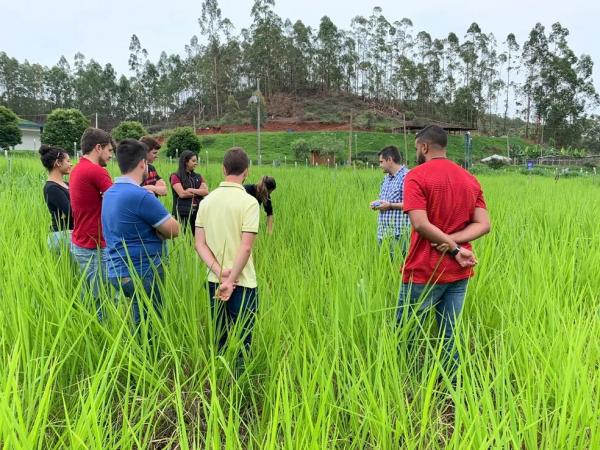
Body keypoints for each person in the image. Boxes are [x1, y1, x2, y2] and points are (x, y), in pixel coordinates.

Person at [397, 125, 490, 383]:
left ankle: (405, 385)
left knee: (406, 333)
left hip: (423, 271)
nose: (417, 152)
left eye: (417, 148)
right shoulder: (470, 179)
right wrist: (457, 245)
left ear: (424, 147)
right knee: (449, 334)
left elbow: (420, 224)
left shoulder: (416, 176)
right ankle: (454, 388)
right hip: (459, 271)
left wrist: (450, 245)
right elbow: (483, 225)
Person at [102, 139, 180, 332]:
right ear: (142, 163)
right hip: (142, 271)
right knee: (152, 324)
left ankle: (138, 354)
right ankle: (148, 358)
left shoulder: (110, 192)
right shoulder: (140, 195)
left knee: (140, 318)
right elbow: (174, 229)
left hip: (116, 270)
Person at [194, 147, 260, 359]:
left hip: (215, 280)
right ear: (247, 172)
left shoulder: (206, 202)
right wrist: (231, 280)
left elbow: (199, 244)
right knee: (243, 341)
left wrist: (219, 271)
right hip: (243, 282)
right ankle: (239, 387)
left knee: (219, 338)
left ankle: (219, 383)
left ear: (223, 169)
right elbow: (246, 247)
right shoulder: (249, 203)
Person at [69, 128, 114, 317]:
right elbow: (118, 201)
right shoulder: (97, 172)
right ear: (98, 148)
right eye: (109, 150)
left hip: (80, 241)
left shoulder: (77, 169)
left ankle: (89, 332)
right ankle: (101, 340)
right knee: (101, 299)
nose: (111, 155)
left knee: (89, 296)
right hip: (95, 244)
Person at [370, 146, 410, 258]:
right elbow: (386, 200)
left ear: (390, 160)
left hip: (399, 234)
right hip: (382, 232)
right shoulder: (386, 178)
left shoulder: (408, 177)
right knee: (384, 268)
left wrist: (390, 206)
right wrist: (377, 204)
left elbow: (413, 204)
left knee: (399, 268)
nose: (380, 165)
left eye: (381, 162)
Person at [39, 144, 74, 252]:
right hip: (61, 235)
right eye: (68, 161)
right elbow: (71, 211)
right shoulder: (51, 188)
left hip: (70, 234)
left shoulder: (67, 184)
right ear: (58, 163)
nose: (71, 164)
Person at [169, 151, 208, 235]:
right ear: (186, 162)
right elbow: (182, 194)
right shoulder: (175, 176)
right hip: (182, 212)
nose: (196, 163)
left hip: (198, 211)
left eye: (196, 161)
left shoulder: (198, 176)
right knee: (183, 236)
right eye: (193, 161)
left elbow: (206, 191)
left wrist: (191, 190)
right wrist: (199, 192)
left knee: (197, 236)